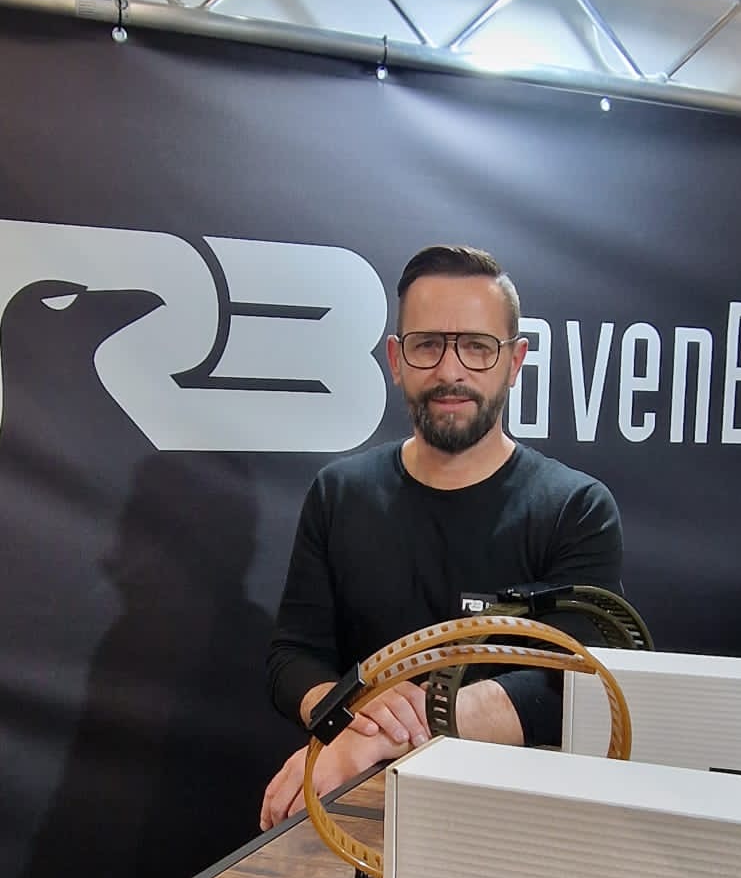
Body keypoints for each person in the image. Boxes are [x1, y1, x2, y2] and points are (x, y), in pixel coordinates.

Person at [260, 244, 623, 828]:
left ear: (515, 361)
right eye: (428, 344)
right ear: (396, 359)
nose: (451, 372)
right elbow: (292, 659)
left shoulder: (575, 508)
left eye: (477, 347)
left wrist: (378, 735)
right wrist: (349, 709)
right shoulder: (339, 493)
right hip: (363, 812)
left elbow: (572, 689)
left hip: (522, 821)